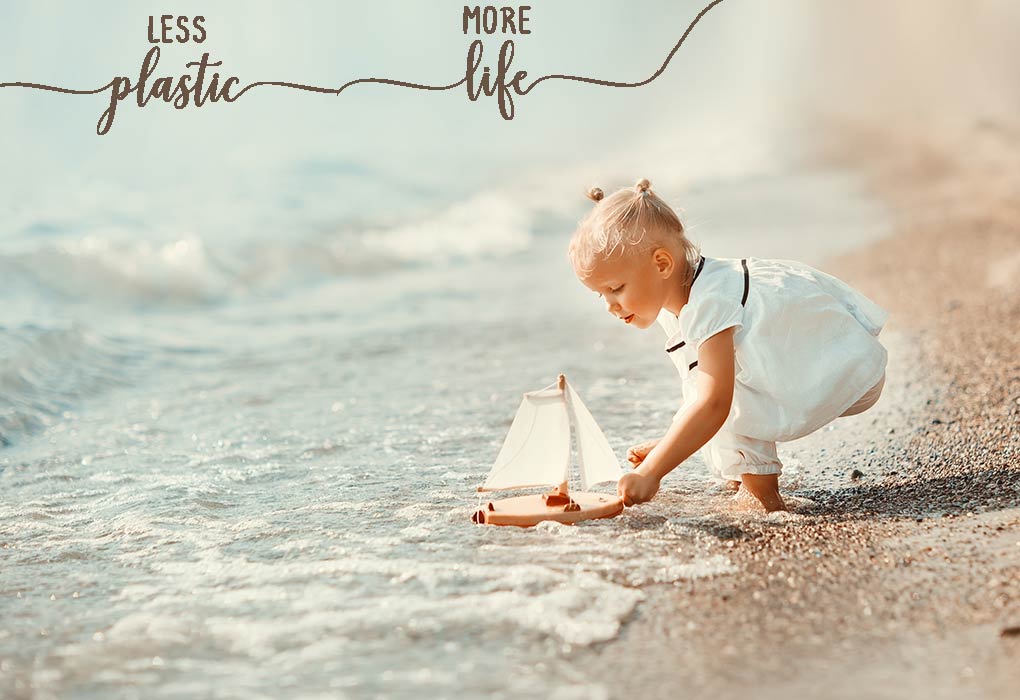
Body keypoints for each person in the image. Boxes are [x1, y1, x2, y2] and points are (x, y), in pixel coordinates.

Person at [568, 178, 888, 512]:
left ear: (661, 264)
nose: (610, 305)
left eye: (616, 288)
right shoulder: (685, 299)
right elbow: (700, 385)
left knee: (724, 399)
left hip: (836, 365)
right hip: (815, 360)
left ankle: (762, 497)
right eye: (600, 295)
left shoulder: (710, 301)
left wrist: (652, 472)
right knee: (716, 386)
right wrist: (670, 445)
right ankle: (743, 474)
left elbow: (714, 404)